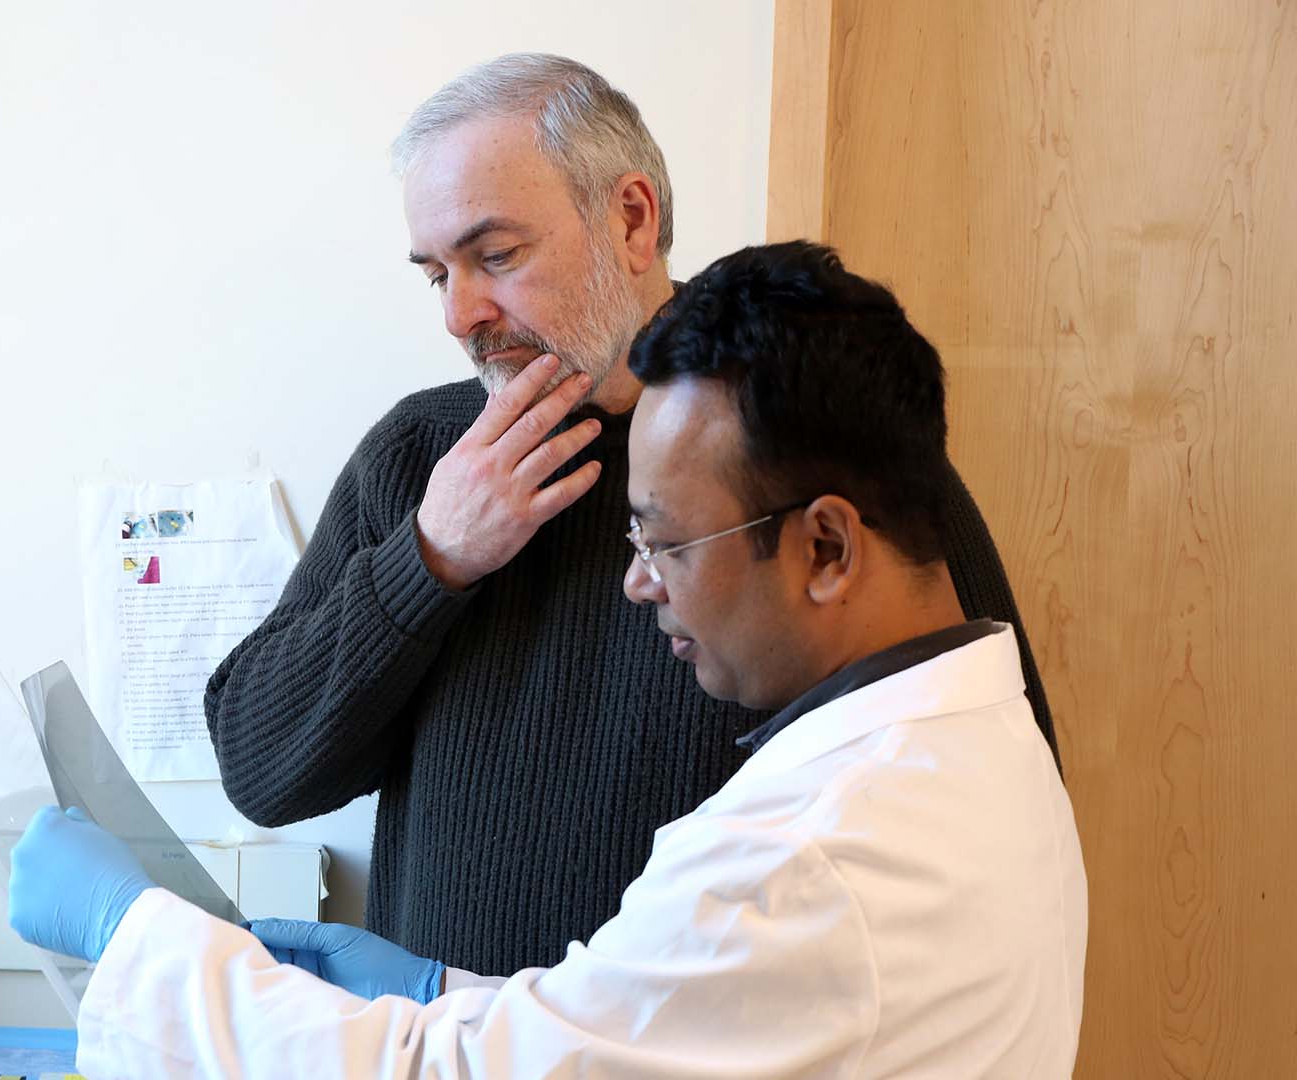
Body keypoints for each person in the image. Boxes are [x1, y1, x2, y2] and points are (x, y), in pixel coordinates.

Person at [8, 242, 1087, 1077]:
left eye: (666, 543)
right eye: (435, 270)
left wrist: (135, 934)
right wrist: (444, 989)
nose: (638, 582)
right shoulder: (970, 739)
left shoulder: (804, 861)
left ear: (828, 547)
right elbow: (640, 1037)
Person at [203, 52, 1058, 977]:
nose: (461, 313)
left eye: (496, 256)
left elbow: (981, 777)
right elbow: (264, 771)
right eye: (436, 274)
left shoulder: (811, 433)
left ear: (633, 219)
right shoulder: (422, 456)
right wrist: (429, 559)